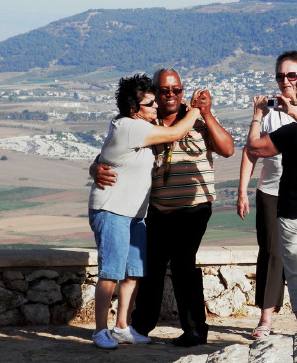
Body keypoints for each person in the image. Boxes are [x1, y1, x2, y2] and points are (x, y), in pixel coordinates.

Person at [92, 68, 235, 347]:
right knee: (150, 267)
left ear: (182, 90)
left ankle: (194, 330)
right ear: (154, 93)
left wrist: (205, 113)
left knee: (183, 265)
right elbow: (107, 155)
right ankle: (141, 326)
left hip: (193, 207)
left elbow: (227, 148)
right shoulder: (145, 119)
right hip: (155, 208)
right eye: (164, 91)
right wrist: (95, 169)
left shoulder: (198, 117)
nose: (170, 95)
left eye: (176, 90)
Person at [237, 50, 297, 339]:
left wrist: (295, 113)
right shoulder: (268, 112)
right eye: (280, 75)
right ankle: (266, 318)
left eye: (292, 75)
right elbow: (251, 150)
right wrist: (242, 190)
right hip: (271, 191)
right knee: (271, 254)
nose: (285, 81)